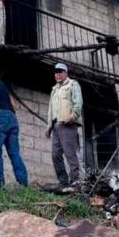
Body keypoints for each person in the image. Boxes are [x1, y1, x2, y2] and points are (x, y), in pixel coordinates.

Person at [45, 63, 83, 193]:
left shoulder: (72, 84)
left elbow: (78, 103)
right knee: (55, 155)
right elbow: (51, 109)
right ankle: (63, 182)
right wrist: (49, 125)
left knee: (69, 153)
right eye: (56, 72)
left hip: (67, 124)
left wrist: (72, 117)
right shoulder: (54, 89)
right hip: (56, 125)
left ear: (66, 73)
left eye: (60, 72)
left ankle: (75, 181)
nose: (58, 74)